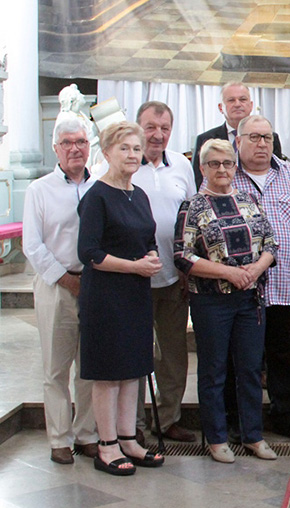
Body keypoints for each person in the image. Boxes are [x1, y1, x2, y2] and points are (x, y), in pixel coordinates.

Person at [173, 138, 278, 463]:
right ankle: (216, 438)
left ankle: (253, 436)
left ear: (235, 167)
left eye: (227, 163)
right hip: (211, 302)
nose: (222, 169)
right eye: (214, 164)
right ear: (202, 168)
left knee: (249, 370)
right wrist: (228, 273)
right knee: (214, 370)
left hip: (250, 300)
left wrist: (256, 268)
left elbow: (270, 244)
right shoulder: (193, 206)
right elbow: (182, 255)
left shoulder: (248, 200)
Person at [77, 121, 165, 475]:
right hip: (106, 296)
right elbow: (89, 253)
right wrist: (134, 266)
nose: (131, 154)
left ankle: (129, 438)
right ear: (107, 153)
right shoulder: (96, 196)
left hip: (135, 293)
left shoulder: (138, 194)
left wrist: (153, 257)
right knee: (108, 374)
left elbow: (146, 238)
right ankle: (107, 445)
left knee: (133, 371)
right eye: (124, 148)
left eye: (135, 148)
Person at [231, 114, 290, 440]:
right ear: (238, 141)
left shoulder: (288, 173)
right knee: (243, 357)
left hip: (284, 283)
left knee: (288, 351)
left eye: (267, 137)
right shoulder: (228, 174)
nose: (262, 144)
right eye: (254, 137)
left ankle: (287, 414)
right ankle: (242, 418)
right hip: (240, 286)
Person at [23, 119, 99, 465]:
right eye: (67, 142)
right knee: (56, 367)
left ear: (89, 146)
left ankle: (86, 435)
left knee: (89, 367)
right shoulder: (39, 189)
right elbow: (32, 246)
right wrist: (66, 280)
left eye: (81, 141)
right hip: (57, 285)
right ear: (56, 148)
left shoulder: (99, 185)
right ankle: (58, 438)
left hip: (96, 285)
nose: (74, 148)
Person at [132, 101, 196, 442]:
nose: (158, 134)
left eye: (164, 128)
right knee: (136, 353)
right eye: (151, 127)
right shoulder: (123, 162)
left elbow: (192, 214)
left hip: (174, 275)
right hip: (133, 276)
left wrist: (188, 267)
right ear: (138, 126)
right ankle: (133, 425)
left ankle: (168, 418)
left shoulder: (182, 166)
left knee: (172, 353)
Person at [191, 82, 286, 189]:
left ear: (251, 106)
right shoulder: (205, 139)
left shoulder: (269, 138)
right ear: (221, 107)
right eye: (231, 100)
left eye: (242, 100)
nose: (237, 104)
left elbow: (277, 175)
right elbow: (197, 180)